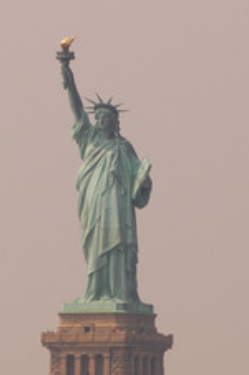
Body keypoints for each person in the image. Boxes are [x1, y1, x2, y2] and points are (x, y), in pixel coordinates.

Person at [59, 53, 152, 304]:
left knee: (118, 246)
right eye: (98, 117)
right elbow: (77, 110)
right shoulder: (89, 140)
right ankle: (95, 291)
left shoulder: (124, 147)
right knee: (95, 245)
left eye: (107, 118)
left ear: (115, 122)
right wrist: (69, 77)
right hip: (93, 202)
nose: (101, 121)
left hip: (118, 206)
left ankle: (121, 292)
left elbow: (138, 180)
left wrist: (143, 181)